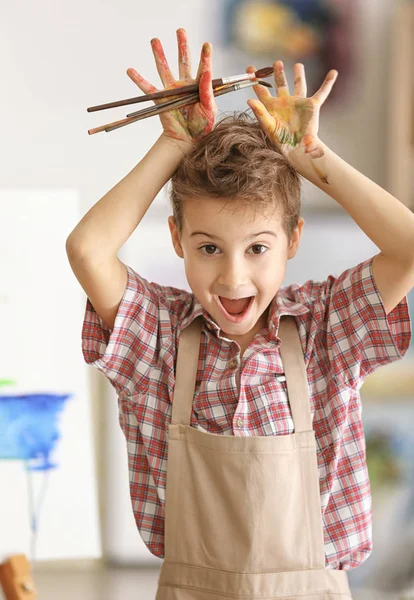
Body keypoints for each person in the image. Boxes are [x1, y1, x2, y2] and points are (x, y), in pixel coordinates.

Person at [66, 28, 413, 599]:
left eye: (257, 248)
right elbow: (88, 250)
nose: (232, 277)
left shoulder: (327, 327)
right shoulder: (158, 336)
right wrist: (173, 145)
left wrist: (311, 159)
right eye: (209, 248)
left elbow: (408, 246)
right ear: (176, 238)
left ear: (293, 239)